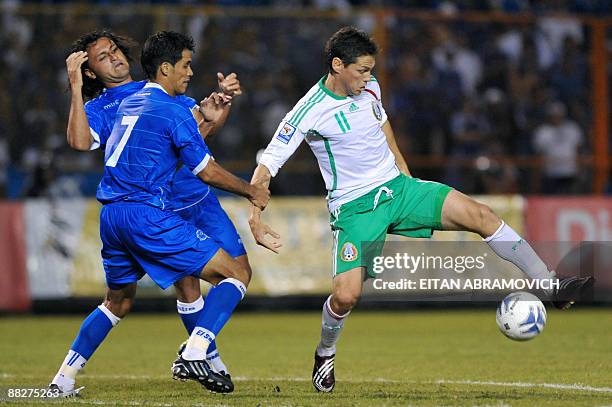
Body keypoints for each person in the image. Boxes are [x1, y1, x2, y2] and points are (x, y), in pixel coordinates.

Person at [247, 26, 594, 393]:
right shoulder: (308, 111)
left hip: (399, 189)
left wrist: (406, 179)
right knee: (347, 295)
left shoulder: (370, 88)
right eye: (362, 70)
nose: (368, 78)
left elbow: (383, 128)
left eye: (371, 70)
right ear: (337, 65)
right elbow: (268, 163)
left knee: (482, 216)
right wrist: (255, 217)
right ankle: (325, 352)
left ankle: (548, 284)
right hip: (354, 207)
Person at [49, 31, 268, 397]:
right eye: (103, 57)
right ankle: (200, 354)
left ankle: (63, 379)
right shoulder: (106, 106)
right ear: (90, 72)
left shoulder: (155, 93)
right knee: (214, 279)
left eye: (115, 49)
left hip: (168, 202)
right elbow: (80, 142)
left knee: (119, 300)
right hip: (156, 209)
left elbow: (195, 133)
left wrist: (217, 107)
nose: (115, 58)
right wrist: (250, 189)